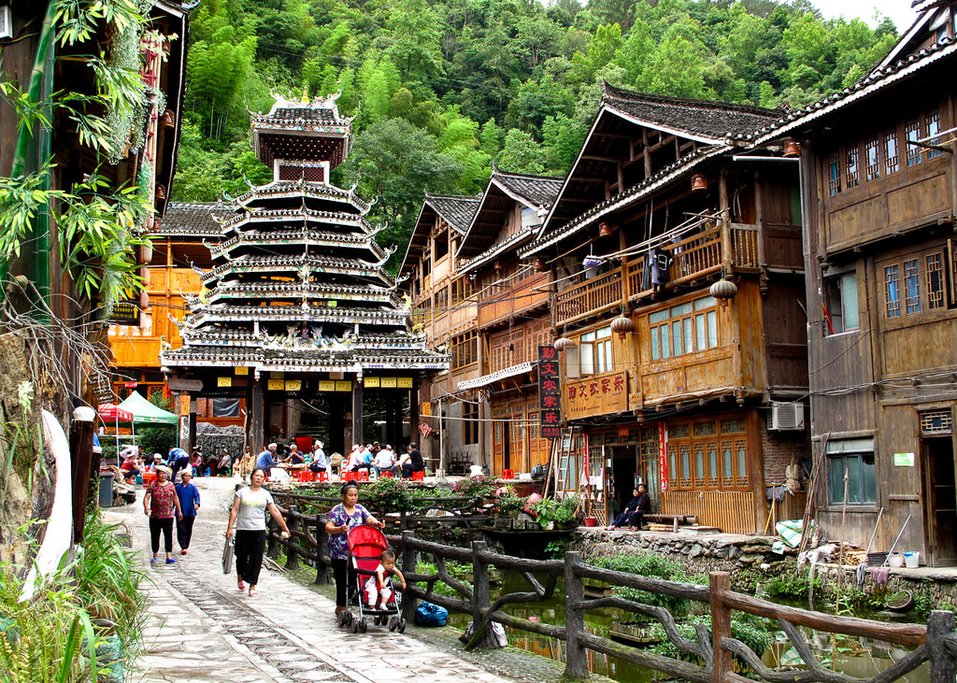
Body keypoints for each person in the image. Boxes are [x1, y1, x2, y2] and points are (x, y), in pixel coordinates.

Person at [225, 468, 291, 598]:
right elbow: (235, 510)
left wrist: (284, 527)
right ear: (252, 477)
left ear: (264, 479)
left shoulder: (266, 494)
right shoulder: (241, 493)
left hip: (258, 530)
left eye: (261, 476)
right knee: (241, 557)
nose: (259, 478)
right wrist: (229, 528)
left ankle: (252, 585)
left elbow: (275, 511)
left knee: (256, 558)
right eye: (256, 475)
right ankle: (240, 576)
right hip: (243, 529)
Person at [324, 482, 384, 615]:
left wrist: (376, 523)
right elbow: (328, 527)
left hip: (356, 552)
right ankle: (341, 606)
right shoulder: (337, 510)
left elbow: (369, 519)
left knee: (353, 578)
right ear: (343, 496)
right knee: (341, 579)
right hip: (339, 552)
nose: (353, 498)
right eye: (350, 495)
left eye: (355, 495)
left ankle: (350, 601)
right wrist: (339, 529)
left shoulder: (360, 509)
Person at [143, 465, 183, 565]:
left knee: (168, 535)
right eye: (161, 473)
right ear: (157, 474)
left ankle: (168, 556)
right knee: (155, 535)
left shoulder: (171, 485)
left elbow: (175, 498)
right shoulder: (153, 485)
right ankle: (155, 555)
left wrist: (179, 510)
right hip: (155, 516)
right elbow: (147, 497)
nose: (163, 475)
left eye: (165, 473)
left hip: (168, 515)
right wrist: (146, 507)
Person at [175, 470, 201, 554]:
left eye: (189, 476)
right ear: (182, 477)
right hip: (180, 511)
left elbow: (197, 496)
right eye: (186, 476)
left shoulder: (192, 488)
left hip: (190, 511)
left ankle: (186, 545)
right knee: (181, 528)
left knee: (188, 529)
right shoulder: (178, 488)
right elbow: (174, 498)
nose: (187, 478)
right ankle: (183, 546)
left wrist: (197, 503)